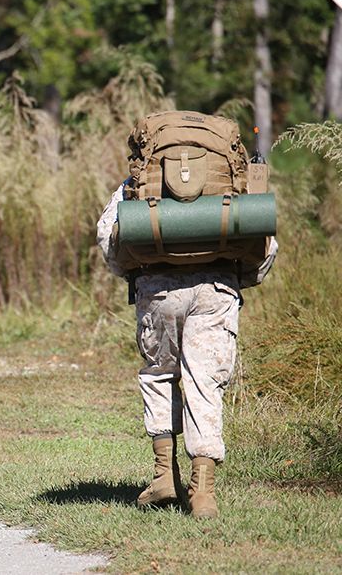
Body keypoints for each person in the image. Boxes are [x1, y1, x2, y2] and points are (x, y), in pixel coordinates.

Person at [97, 110, 278, 519]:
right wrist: (238, 279)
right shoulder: (230, 180)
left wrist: (137, 274)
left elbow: (109, 235)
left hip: (157, 288)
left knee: (159, 373)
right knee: (204, 382)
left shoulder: (140, 182)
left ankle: (164, 476)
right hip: (216, 287)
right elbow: (265, 242)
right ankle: (203, 493)